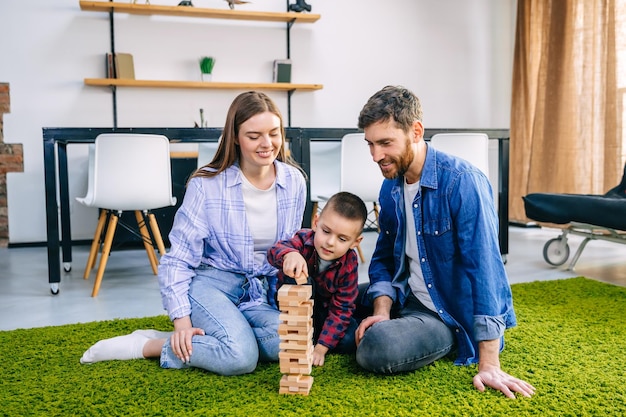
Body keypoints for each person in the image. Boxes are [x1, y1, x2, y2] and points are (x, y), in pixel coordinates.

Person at [80, 91, 307, 376]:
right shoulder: (207, 185)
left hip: (259, 292)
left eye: (274, 133)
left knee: (293, 341)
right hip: (212, 285)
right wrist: (182, 324)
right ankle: (149, 345)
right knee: (241, 358)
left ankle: (226, 335)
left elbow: (291, 243)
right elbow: (178, 260)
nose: (267, 144)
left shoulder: (294, 181)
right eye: (254, 136)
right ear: (235, 137)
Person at [354, 85, 535, 398]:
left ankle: (440, 338)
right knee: (329, 296)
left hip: (445, 313)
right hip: (406, 295)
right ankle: (383, 324)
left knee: (377, 346)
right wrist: (382, 310)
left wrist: (489, 361)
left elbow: (485, 268)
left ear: (415, 131)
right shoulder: (391, 187)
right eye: (370, 144)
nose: (375, 156)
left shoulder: (463, 182)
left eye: (385, 143)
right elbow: (383, 257)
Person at [267, 191, 367, 367]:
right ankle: (304, 334)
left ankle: (317, 337)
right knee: (301, 279)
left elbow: (342, 308)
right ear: (316, 222)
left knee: (349, 338)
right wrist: (289, 254)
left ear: (355, 242)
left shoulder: (349, 263)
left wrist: (321, 347)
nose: (330, 242)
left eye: (342, 239)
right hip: (292, 310)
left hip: (323, 313)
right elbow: (274, 251)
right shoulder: (303, 239)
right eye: (326, 231)